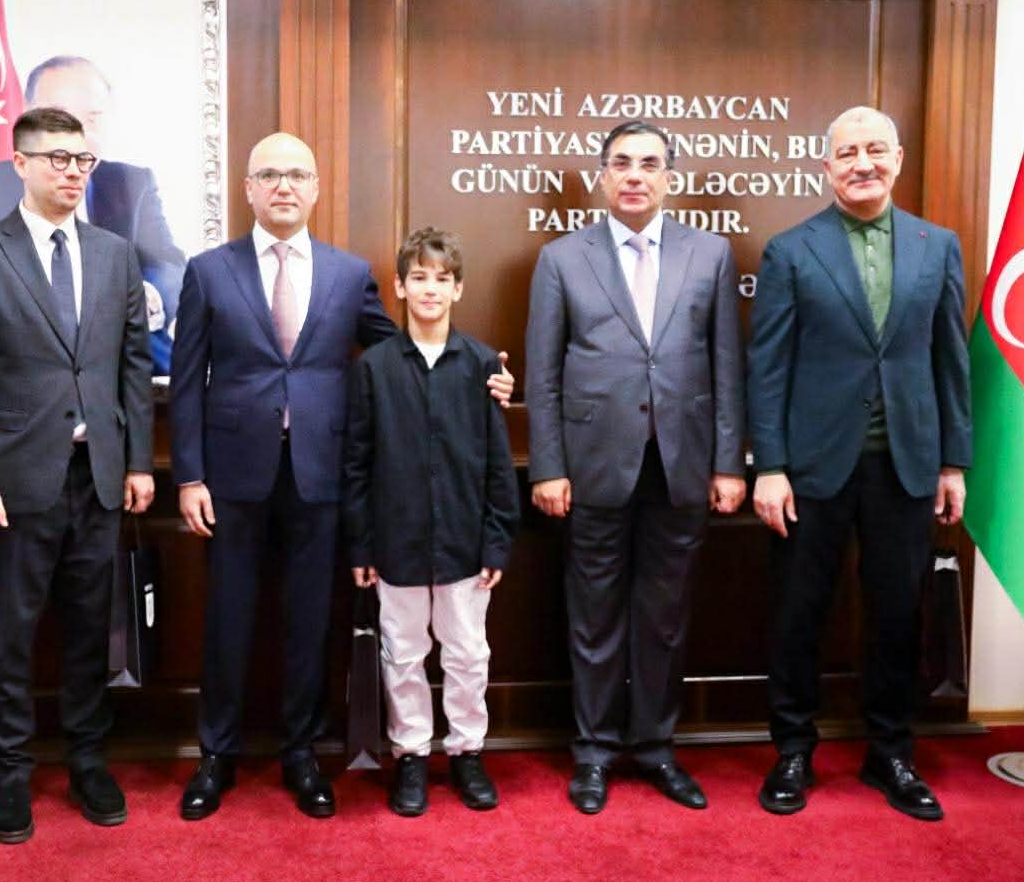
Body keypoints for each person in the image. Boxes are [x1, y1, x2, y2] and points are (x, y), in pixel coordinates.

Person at [170, 133, 513, 820]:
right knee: (228, 618)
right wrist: (189, 476)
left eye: (298, 174)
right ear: (248, 188)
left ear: (316, 188)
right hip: (232, 477)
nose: (284, 186)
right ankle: (217, 755)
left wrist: (481, 372)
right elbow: (185, 381)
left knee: (308, 622)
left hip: (321, 472)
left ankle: (301, 754)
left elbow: (404, 350)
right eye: (270, 174)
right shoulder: (208, 271)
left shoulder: (347, 273)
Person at [746, 105, 971, 822]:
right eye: (847, 153)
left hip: (906, 464)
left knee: (898, 615)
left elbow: (951, 360)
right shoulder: (790, 250)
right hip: (810, 469)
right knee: (798, 613)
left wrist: (953, 463)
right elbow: (767, 367)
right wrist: (769, 466)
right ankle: (792, 750)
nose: (862, 164)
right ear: (827, 167)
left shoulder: (938, 246)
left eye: (875, 150)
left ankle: (890, 753)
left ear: (898, 159)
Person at [0, 106, 154, 844]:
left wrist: (138, 462)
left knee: (92, 629)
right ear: (21, 163)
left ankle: (88, 759)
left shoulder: (116, 254)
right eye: (57, 158)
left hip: (98, 477)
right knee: (10, 633)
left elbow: (132, 367)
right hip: (13, 482)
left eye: (82, 159)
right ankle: (11, 770)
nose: (72, 172)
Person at [525, 120, 745, 815]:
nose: (635, 176)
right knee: (593, 617)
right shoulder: (562, 259)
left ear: (669, 177)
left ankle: (654, 748)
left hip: (682, 466)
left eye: (649, 164)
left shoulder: (710, 253)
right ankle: (593, 752)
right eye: (621, 163)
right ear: (602, 176)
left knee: (664, 618)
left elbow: (726, 366)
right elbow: (543, 373)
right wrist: (547, 466)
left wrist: (728, 462)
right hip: (592, 466)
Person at [343, 227, 520, 817]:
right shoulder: (374, 368)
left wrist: (497, 542)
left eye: (442, 279)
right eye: (418, 277)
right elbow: (357, 463)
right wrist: (361, 545)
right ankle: (412, 754)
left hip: (466, 542)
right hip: (396, 541)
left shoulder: (481, 364)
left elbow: (498, 463)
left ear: (458, 289)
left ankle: (467, 751)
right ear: (399, 287)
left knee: (468, 653)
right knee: (403, 653)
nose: (429, 289)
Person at [0, 54, 186, 373]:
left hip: (123, 372)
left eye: (92, 119)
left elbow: (169, 264)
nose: (76, 136)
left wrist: (146, 295)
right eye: (60, 118)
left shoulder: (132, 185)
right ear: (26, 117)